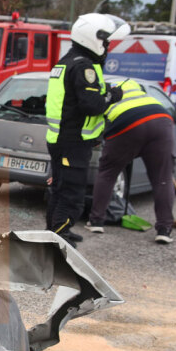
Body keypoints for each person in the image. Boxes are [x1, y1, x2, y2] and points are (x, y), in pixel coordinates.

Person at [44, 13, 129, 244]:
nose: (107, 46)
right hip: (72, 141)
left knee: (60, 188)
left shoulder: (65, 62)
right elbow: (91, 106)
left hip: (61, 139)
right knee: (71, 192)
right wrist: (112, 96)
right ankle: (59, 234)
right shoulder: (83, 67)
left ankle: (56, 231)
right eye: (106, 41)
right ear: (93, 38)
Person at [86, 79, 176, 244]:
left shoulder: (110, 98)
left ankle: (96, 221)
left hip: (126, 124)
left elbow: (100, 127)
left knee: (108, 172)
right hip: (162, 121)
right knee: (162, 179)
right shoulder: (146, 97)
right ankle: (164, 229)